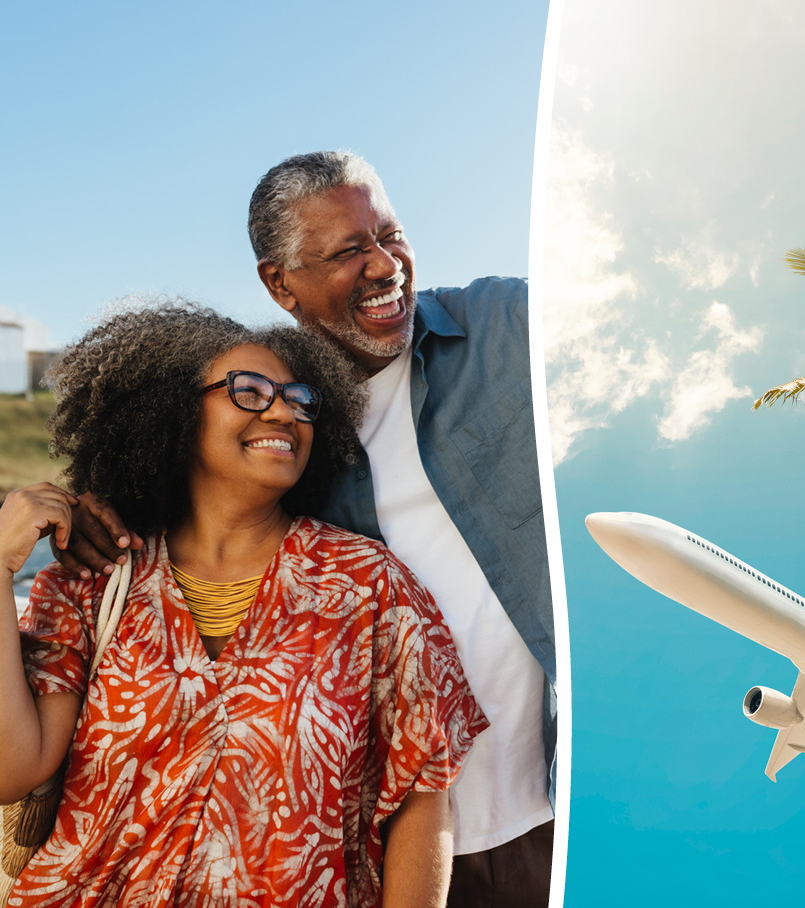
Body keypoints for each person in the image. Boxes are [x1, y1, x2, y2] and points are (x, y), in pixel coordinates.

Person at [57, 152, 558, 906]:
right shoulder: (289, 442)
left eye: (391, 234)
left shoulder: (507, 327)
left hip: (552, 812)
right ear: (278, 282)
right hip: (380, 851)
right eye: (349, 250)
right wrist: (95, 506)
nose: (385, 265)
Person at [3, 305, 485, 907]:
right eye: (250, 391)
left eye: (299, 398)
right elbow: (11, 770)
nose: (283, 411)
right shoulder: (92, 583)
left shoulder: (368, 587)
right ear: (175, 411)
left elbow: (422, 794)